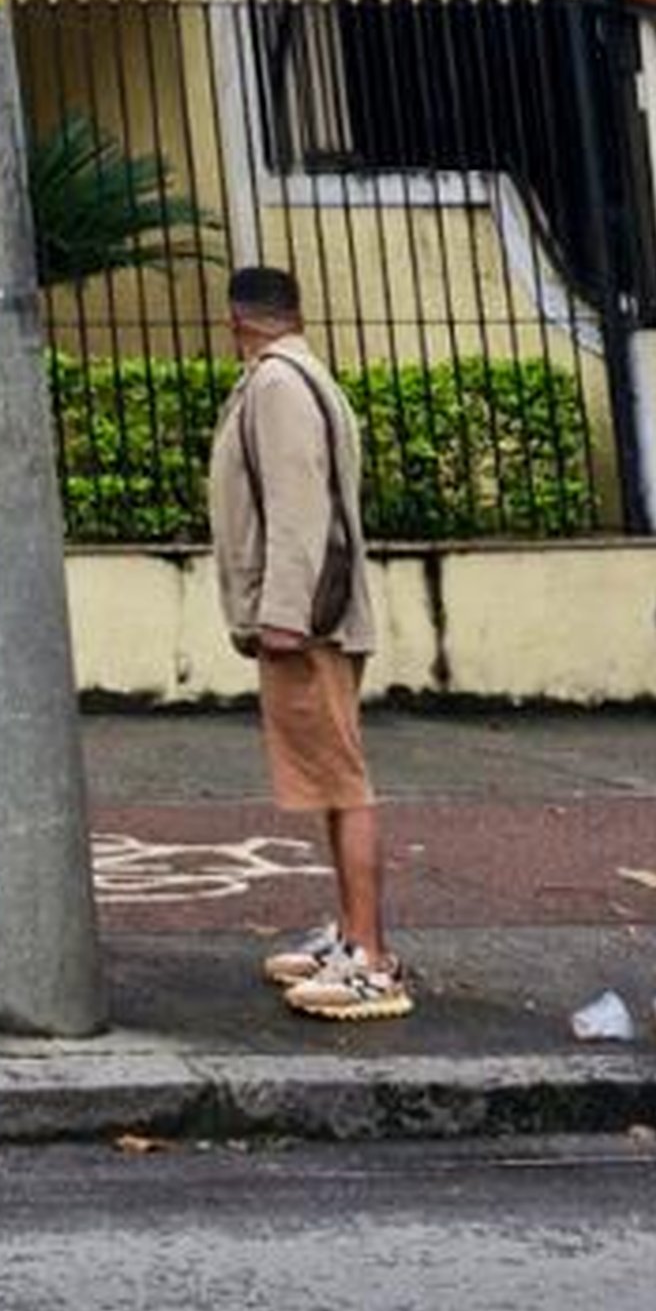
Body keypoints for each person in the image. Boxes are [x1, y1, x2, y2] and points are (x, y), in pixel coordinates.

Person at [208, 262, 408, 1020]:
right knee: (328, 778)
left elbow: (298, 503)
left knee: (342, 780)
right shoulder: (301, 374)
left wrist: (283, 612)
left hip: (308, 620)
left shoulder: (277, 386)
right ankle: (351, 936)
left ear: (237, 320)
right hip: (316, 612)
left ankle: (369, 954)